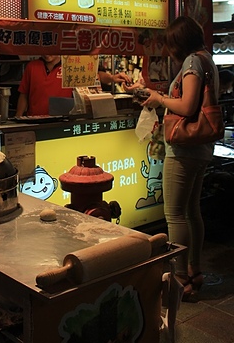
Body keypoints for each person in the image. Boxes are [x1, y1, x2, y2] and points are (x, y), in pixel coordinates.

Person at [136, 16, 219, 301]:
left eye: (171, 44)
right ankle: (194, 271)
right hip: (200, 148)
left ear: (179, 43)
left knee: (175, 214)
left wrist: (160, 99)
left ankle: (181, 277)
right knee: (192, 211)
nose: (169, 50)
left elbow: (187, 105)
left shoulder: (192, 63)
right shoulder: (206, 58)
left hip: (185, 149)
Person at [16, 55, 131, 116]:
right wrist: (18, 116)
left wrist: (111, 78)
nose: (47, 53)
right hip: (35, 120)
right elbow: (24, 95)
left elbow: (93, 75)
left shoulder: (71, 65)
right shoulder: (32, 66)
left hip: (63, 120)